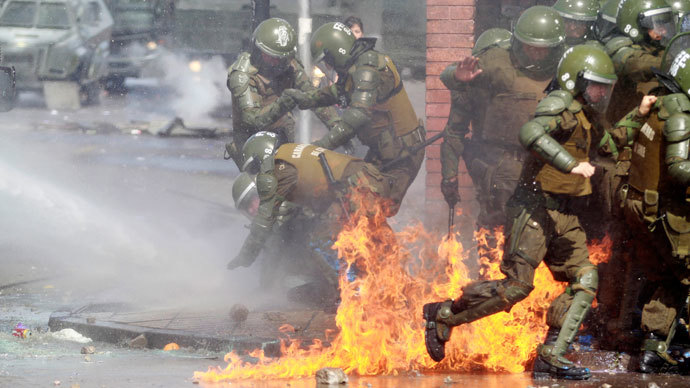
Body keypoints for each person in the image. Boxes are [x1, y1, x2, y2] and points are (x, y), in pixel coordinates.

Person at [423, 44, 617, 380]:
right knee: (517, 287)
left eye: (606, 86)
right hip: (534, 207)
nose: (602, 92)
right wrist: (570, 164)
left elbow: (611, 144)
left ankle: (552, 355)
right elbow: (530, 133)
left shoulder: (587, 114)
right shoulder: (558, 104)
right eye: (597, 85)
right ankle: (444, 315)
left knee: (585, 278)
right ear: (577, 81)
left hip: (563, 212)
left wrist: (640, 117)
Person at [605, 33, 690, 373]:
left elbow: (612, 142)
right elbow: (680, 169)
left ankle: (654, 348)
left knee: (669, 279)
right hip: (666, 215)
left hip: (641, 209)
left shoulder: (657, 104)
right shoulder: (681, 112)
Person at [438, 5, 566, 228]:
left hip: (548, 163)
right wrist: (458, 76)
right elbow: (453, 129)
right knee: (497, 226)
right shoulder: (496, 63)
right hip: (501, 163)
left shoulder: (563, 66)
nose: (536, 53)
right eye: (530, 47)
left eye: (542, 49)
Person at [280, 22, 425, 216]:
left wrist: (321, 146)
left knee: (372, 209)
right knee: (352, 201)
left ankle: (381, 247)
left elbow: (359, 114)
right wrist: (305, 99)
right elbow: (337, 92)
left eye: (327, 61)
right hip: (384, 151)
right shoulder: (356, 68)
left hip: (403, 154)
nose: (327, 67)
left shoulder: (368, 68)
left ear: (336, 53)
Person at [226, 131, 393, 277]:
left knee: (322, 241)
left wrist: (246, 256)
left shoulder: (281, 173)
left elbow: (266, 219)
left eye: (256, 167)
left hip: (356, 191)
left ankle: (350, 290)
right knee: (379, 245)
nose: (253, 208)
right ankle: (391, 288)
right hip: (367, 181)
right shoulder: (289, 152)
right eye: (247, 207)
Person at [225, 18, 345, 168]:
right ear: (258, 50)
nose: (275, 62)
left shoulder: (289, 63)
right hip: (251, 143)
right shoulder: (243, 75)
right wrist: (282, 104)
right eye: (269, 56)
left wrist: (338, 127)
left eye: (279, 58)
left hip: (282, 138)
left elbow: (312, 96)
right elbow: (252, 119)